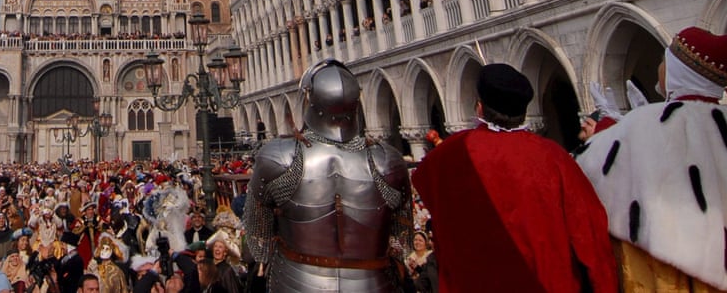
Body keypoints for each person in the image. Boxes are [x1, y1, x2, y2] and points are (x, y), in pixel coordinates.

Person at [411, 63, 617, 293]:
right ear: (523, 112)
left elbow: (425, 184)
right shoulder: (553, 156)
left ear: (480, 109)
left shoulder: (448, 155)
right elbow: (589, 233)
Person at [574, 26, 727, 292]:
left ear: (678, 71)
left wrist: (604, 131)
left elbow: (588, 169)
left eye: (665, 60)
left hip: (663, 269)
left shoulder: (643, 123)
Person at [244, 58, 410, 293]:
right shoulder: (388, 160)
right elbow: (401, 241)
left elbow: (258, 238)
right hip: (372, 283)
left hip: (297, 281)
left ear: (310, 100)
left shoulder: (279, 156)